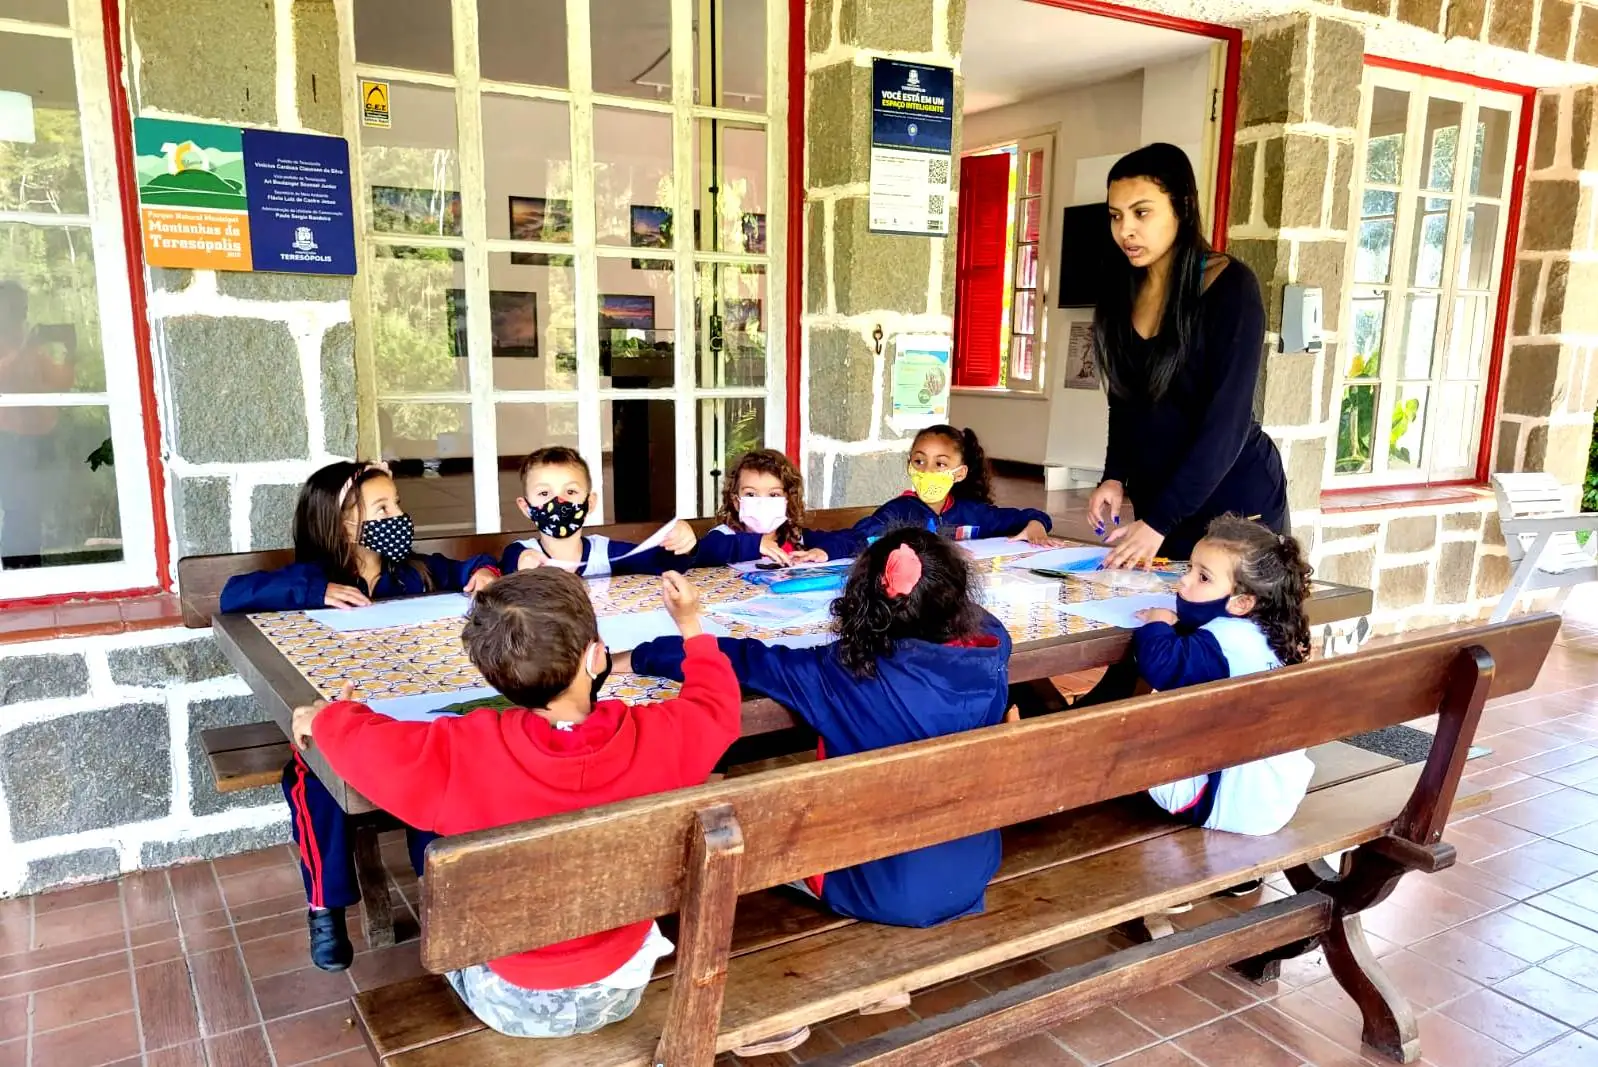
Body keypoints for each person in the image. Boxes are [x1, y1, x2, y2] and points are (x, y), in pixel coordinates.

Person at [291, 568, 742, 1039]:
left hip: (510, 996)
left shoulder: (459, 749)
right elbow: (716, 707)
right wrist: (691, 627)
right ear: (595, 657)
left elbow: (366, 746)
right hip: (622, 980)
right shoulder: (657, 736)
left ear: (494, 675)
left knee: (433, 841)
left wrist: (331, 717)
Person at [620, 527, 1011, 1056]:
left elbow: (750, 663)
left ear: (862, 603)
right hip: (970, 869)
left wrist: (651, 650)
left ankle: (769, 1004)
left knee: (735, 822)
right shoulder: (991, 650)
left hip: (879, 886)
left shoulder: (842, 673)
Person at [219, 460, 500, 970]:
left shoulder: (412, 571)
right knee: (314, 779)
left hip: (409, 718)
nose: (398, 515)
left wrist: (483, 572)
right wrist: (315, 594)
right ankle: (325, 908)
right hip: (342, 720)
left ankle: (439, 893)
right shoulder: (311, 577)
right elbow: (235, 593)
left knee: (436, 772)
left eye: (398, 504)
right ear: (345, 521)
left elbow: (470, 565)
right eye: (384, 508)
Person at [1088, 142, 1288, 571]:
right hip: (1165, 501)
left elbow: (1226, 425)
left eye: (1142, 213)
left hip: (1236, 503)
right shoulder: (1123, 291)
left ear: (1182, 206)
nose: (1126, 230)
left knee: (1233, 628)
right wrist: (1114, 476)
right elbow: (1125, 401)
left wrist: (1159, 521)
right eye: (1115, 215)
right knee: (1165, 621)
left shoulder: (1231, 287)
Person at [1133, 515, 1315, 838]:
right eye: (1188, 568)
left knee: (1129, 741)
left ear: (1242, 602)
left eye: (1203, 577)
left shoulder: (1222, 645)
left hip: (1221, 802)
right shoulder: (1272, 634)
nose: (1184, 582)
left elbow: (1162, 665)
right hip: (1273, 798)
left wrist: (1157, 624)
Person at [501, 446, 697, 575]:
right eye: (544, 493)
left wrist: (682, 540)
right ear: (526, 507)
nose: (559, 501)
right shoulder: (521, 553)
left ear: (590, 503)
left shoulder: (605, 552)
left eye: (570, 491)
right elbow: (505, 565)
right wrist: (521, 563)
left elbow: (662, 564)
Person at [849, 425, 1053, 548]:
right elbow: (855, 538)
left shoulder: (973, 513)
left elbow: (1026, 516)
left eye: (940, 464)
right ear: (908, 464)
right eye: (919, 462)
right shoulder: (897, 512)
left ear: (960, 473)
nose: (928, 472)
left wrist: (1037, 524)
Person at [0, 281, 75, 569]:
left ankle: (32, 566)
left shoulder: (24, 342)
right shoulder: (15, 344)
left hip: (41, 437)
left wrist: (71, 351)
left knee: (34, 509)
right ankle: (19, 574)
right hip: (10, 438)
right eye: (15, 307)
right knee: (19, 509)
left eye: (24, 308)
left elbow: (61, 382)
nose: (21, 313)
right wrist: (26, 349)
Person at [691, 448, 856, 568]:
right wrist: (755, 545)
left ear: (787, 500)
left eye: (773, 495)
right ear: (736, 501)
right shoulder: (724, 535)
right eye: (751, 494)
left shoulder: (795, 537)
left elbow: (852, 539)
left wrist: (824, 551)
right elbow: (704, 551)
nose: (762, 503)